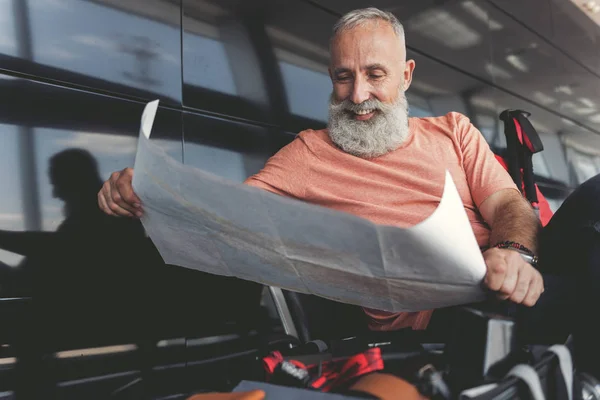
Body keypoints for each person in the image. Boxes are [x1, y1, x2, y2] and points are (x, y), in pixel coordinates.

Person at [97, 8, 599, 377]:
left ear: (405, 76)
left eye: (375, 75)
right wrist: (145, 193)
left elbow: (509, 205)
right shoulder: (307, 155)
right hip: (444, 324)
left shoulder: (453, 130)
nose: (358, 95)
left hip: (518, 287)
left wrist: (513, 253)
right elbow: (228, 218)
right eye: (343, 77)